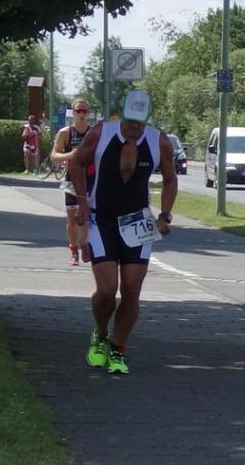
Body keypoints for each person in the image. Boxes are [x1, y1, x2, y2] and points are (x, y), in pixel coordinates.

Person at [66, 89, 177, 376]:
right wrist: (81, 201)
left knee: (131, 290)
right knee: (107, 290)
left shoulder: (159, 141)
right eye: (129, 121)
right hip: (101, 218)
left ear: (147, 120)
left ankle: (118, 347)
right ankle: (101, 333)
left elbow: (170, 178)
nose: (133, 127)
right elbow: (76, 162)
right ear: (122, 116)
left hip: (137, 222)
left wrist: (165, 214)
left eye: (139, 123)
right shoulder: (101, 132)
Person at [51, 98, 96, 266]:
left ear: (89, 113)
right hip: (71, 179)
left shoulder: (94, 133)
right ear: (73, 112)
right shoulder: (65, 132)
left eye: (84, 111)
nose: (81, 114)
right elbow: (54, 155)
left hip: (90, 179)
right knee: (72, 217)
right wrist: (69, 155)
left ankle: (84, 244)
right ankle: (73, 249)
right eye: (78, 111)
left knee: (86, 216)